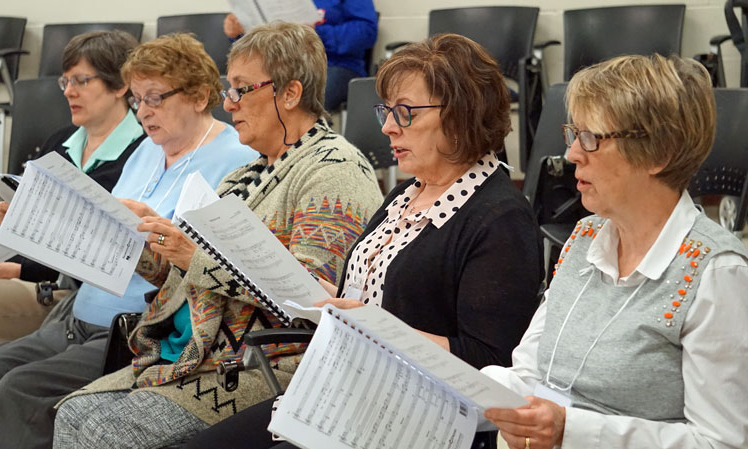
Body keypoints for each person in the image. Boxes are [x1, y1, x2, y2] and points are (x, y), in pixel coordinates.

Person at [181, 33, 544, 449]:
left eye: (405, 113)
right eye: (387, 111)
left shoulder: (499, 216)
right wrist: (315, 293)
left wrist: (374, 328)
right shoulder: (405, 194)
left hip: (415, 418)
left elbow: (490, 363)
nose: (388, 126)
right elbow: (369, 296)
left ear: (463, 114)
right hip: (347, 392)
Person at [52, 22, 384, 449]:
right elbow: (184, 279)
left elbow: (310, 302)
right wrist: (138, 238)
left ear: (290, 93)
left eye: (242, 89)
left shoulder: (336, 169)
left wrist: (194, 257)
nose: (229, 104)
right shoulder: (243, 175)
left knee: (101, 428)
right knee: (73, 413)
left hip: (265, 363)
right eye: (230, 89)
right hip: (199, 354)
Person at [0, 33, 257, 449]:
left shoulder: (233, 161)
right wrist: (34, 223)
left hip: (133, 328)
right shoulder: (147, 152)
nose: (144, 112)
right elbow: (100, 235)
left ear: (199, 95)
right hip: (78, 313)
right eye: (138, 100)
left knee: (17, 389)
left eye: (155, 98)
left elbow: (206, 267)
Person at [481, 54, 748, 449]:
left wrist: (569, 430)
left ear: (661, 153)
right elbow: (529, 374)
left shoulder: (715, 273)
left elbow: (720, 443)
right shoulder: (585, 237)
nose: (572, 154)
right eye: (574, 134)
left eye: (591, 138)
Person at [0, 29, 146, 449]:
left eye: (82, 80)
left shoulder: (140, 154)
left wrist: (17, 264)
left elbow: (104, 253)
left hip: (61, 291)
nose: (69, 91)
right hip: (27, 275)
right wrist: (8, 224)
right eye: (65, 81)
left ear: (120, 85)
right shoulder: (60, 143)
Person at [223, 0, 377, 110]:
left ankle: (310, 150)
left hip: (333, 64)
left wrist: (316, 33)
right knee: (246, 94)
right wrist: (238, 32)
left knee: (301, 98)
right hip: (278, 64)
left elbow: (367, 31)